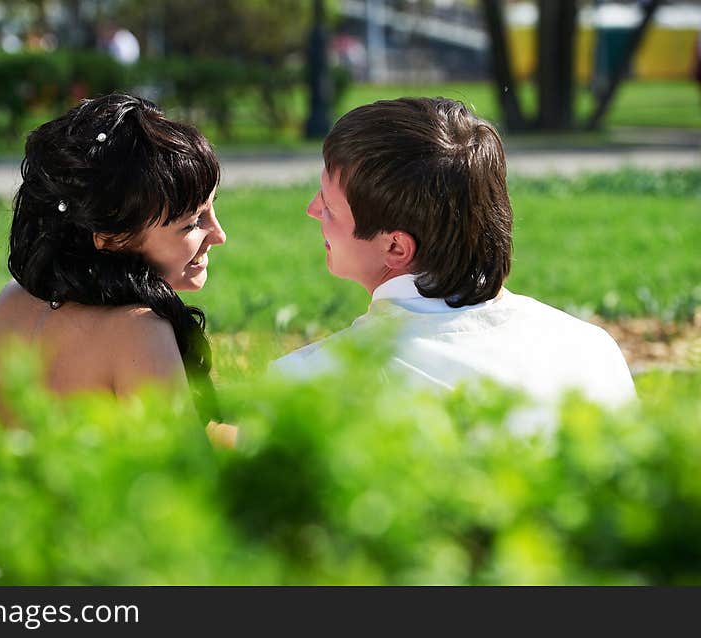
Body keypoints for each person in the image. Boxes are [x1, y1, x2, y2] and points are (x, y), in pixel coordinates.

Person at [272, 97, 636, 408]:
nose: (312, 209)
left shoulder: (312, 382)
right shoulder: (590, 349)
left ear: (396, 247)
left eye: (330, 206)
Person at [0, 92, 227, 484]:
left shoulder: (11, 302)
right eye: (191, 223)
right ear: (112, 237)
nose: (218, 235)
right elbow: (194, 495)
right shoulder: (137, 330)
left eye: (212, 210)